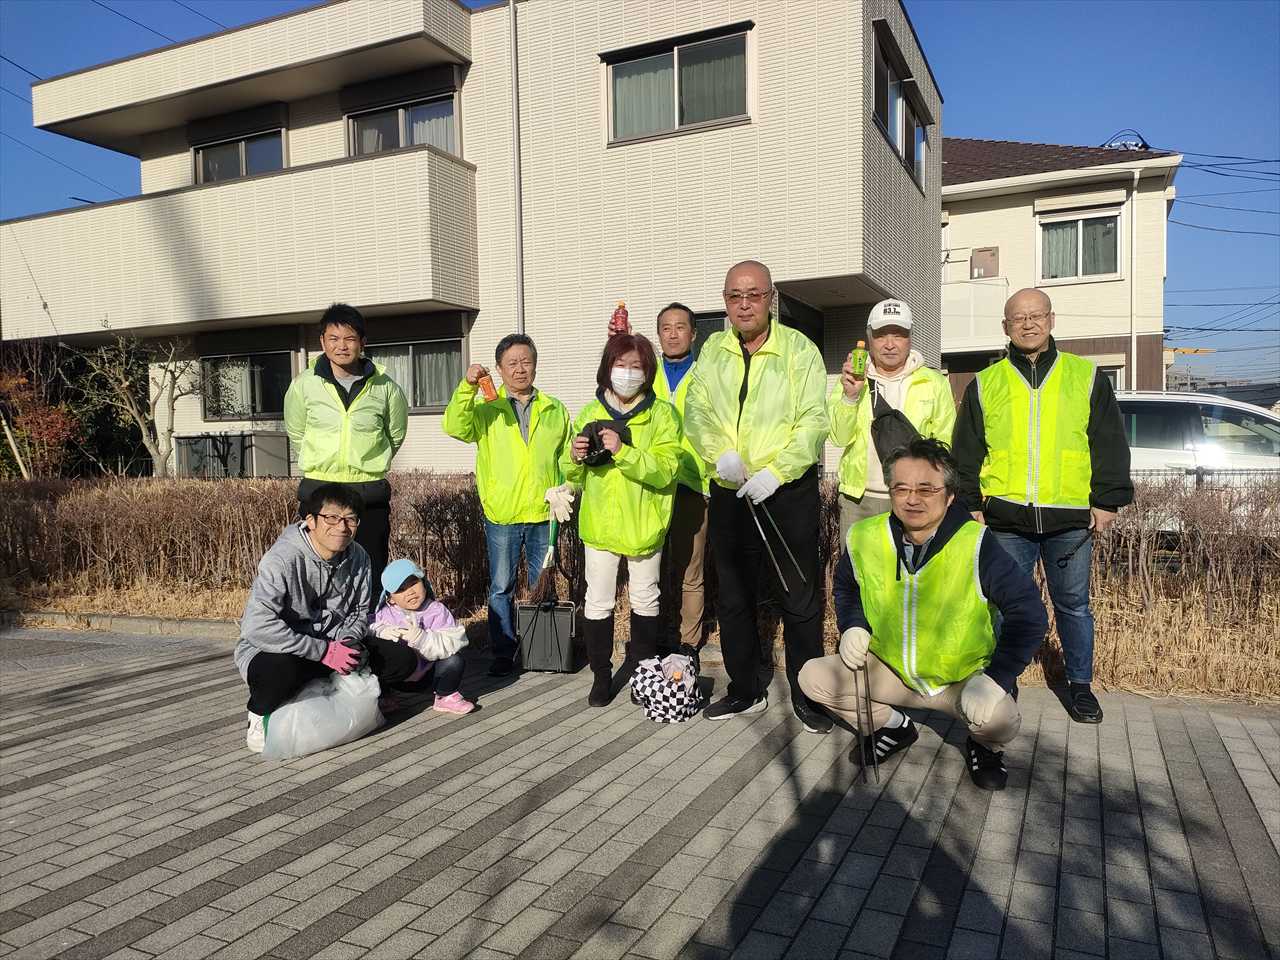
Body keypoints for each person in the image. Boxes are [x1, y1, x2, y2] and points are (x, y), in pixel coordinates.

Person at [798, 438, 1047, 790]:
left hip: (959, 679)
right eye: (901, 488)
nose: (912, 499)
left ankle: (984, 746)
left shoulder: (976, 543)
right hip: (891, 668)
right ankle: (892, 727)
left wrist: (995, 679)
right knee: (813, 677)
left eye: (926, 489)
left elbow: (1030, 614)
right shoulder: (865, 536)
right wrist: (853, 625)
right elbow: (847, 586)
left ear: (949, 495)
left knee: (1000, 719)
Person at [952, 288, 1132, 724]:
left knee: (1073, 605)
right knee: (1002, 605)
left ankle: (1080, 685)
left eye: (1036, 315)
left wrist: (1107, 500)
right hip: (1005, 517)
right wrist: (971, 502)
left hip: (1069, 518)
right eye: (1019, 318)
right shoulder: (986, 382)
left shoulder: (1085, 376)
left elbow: (1108, 441)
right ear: (1006, 327)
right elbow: (967, 450)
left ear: (1051, 320)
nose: (1028, 323)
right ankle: (1003, 681)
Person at [683, 260, 830, 731]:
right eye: (734, 296)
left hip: (786, 491)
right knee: (734, 596)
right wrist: (719, 454)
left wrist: (778, 471)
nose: (744, 304)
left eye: (754, 294)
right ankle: (745, 689)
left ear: (771, 298)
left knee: (798, 596)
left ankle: (811, 696)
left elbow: (814, 420)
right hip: (731, 489)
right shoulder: (713, 350)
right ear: (725, 301)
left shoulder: (799, 350)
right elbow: (696, 409)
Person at [235, 484, 425, 753]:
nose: (342, 527)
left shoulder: (359, 557)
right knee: (278, 671)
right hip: (287, 650)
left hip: (334, 645)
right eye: (332, 517)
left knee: (402, 659)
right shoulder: (282, 559)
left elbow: (359, 611)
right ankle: (258, 714)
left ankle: (332, 689)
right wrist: (323, 651)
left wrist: (347, 642)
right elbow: (256, 626)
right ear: (311, 521)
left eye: (350, 519)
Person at [562, 332, 681, 707]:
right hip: (600, 525)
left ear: (648, 373)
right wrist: (574, 456)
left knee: (645, 599)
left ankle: (643, 674)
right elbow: (572, 472)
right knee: (597, 602)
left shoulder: (663, 415)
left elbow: (666, 469)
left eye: (636, 366)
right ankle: (601, 675)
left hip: (644, 524)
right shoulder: (590, 411)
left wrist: (624, 451)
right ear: (607, 368)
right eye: (620, 364)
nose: (627, 373)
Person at [443, 333, 572, 677]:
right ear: (499, 369)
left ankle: (542, 650)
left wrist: (567, 488)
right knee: (501, 588)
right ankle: (503, 652)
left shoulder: (554, 408)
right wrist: (467, 388)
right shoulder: (487, 408)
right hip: (502, 513)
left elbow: (567, 457)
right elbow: (454, 426)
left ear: (535, 365)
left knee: (542, 584)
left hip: (543, 512)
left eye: (526, 361)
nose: (520, 369)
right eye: (512, 363)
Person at [284, 303, 408, 604]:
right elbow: (296, 433)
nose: (342, 346)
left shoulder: (385, 387)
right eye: (334, 338)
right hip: (320, 489)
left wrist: (367, 461)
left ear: (362, 342)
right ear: (323, 342)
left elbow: (395, 435)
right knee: (315, 569)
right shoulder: (304, 385)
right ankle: (317, 629)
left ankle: (368, 625)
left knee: (370, 568)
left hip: (368, 492)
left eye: (349, 338)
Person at [829, 298, 956, 544]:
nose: (889, 344)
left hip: (914, 497)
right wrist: (850, 397)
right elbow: (838, 438)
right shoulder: (853, 378)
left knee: (913, 566)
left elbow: (945, 443)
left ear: (910, 337)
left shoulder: (934, 382)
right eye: (880, 335)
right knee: (858, 567)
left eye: (898, 335)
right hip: (859, 500)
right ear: (869, 338)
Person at [652, 303, 711, 653]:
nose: (673, 334)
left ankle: (688, 644)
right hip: (651, 483)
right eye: (666, 328)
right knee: (650, 567)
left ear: (693, 334)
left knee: (691, 570)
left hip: (693, 481)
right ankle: (654, 637)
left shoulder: (707, 375)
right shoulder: (646, 374)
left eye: (680, 327)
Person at [371, 558, 474, 715]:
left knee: (454, 661)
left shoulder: (437, 610)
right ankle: (384, 696)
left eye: (413, 583)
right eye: (400, 589)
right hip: (396, 678)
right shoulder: (385, 614)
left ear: (424, 582)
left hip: (429, 676)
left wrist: (422, 638)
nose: (410, 592)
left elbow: (455, 641)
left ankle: (445, 695)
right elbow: (367, 626)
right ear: (390, 597)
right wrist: (380, 630)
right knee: (374, 655)